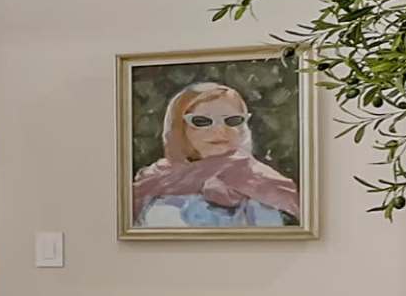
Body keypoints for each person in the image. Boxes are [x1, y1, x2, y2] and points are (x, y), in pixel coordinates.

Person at [130, 81, 303, 228]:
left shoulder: (263, 181)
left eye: (233, 120)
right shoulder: (152, 180)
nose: (220, 130)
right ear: (179, 128)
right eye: (202, 121)